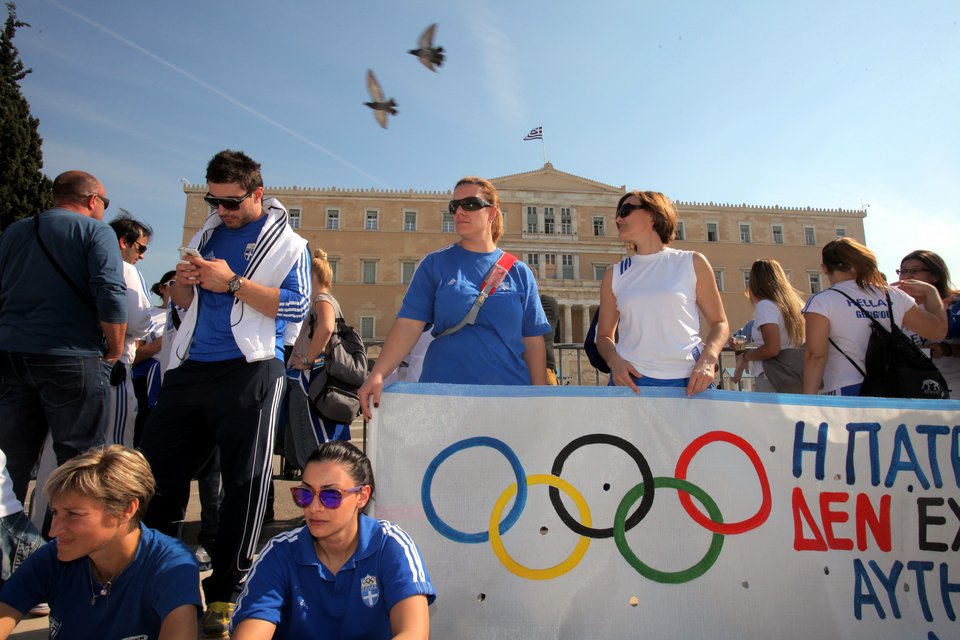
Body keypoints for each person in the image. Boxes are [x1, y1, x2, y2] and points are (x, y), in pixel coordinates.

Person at [138, 150, 310, 638]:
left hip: (251, 367)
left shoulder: (289, 243)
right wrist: (187, 285)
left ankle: (226, 592)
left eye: (232, 202)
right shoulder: (205, 233)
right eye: (214, 200)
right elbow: (188, 307)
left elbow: (296, 305)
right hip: (190, 366)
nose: (222, 209)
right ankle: (158, 579)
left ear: (257, 193)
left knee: (244, 483)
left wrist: (231, 281)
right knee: (154, 476)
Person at [359, 176, 549, 418]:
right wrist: (378, 373)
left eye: (470, 204)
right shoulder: (435, 264)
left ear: (491, 213)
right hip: (444, 395)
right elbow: (409, 323)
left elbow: (533, 341)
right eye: (454, 206)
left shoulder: (520, 272)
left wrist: (541, 396)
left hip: (508, 397)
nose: (459, 211)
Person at [0, 170, 126, 504]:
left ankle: (7, 545)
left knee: (8, 460)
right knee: (80, 462)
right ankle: (70, 548)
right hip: (71, 355)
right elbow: (110, 291)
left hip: (12, 353)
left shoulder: (16, 231)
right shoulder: (96, 231)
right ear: (93, 200)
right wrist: (114, 348)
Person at [231, 441, 435, 639]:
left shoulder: (390, 545)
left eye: (330, 495)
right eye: (305, 494)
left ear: (362, 496)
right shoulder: (279, 553)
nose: (314, 507)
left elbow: (414, 633)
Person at [0, 445, 200, 639]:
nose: (53, 531)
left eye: (73, 514)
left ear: (126, 509)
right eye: (55, 512)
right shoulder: (52, 557)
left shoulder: (170, 565)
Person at [596, 190, 729, 396]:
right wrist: (615, 362)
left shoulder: (692, 262)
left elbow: (720, 323)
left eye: (625, 210)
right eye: (618, 214)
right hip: (631, 382)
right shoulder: (614, 275)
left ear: (652, 214)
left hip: (690, 382)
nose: (618, 218)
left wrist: (708, 360)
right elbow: (604, 336)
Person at [802, 237, 947, 395]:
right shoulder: (894, 295)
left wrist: (809, 401)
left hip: (847, 385)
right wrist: (931, 292)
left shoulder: (823, 301)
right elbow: (937, 331)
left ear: (824, 268)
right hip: (895, 385)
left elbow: (816, 355)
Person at [285, 250, 351, 469]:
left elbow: (326, 327)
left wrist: (308, 359)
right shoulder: (325, 300)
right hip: (313, 377)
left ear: (311, 276)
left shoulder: (321, 300)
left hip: (308, 378)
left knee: (311, 449)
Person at [108, 213, 157, 448]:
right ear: (123, 242)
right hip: (113, 363)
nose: (142, 256)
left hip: (74, 359)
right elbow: (139, 323)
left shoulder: (81, 262)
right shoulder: (125, 269)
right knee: (115, 444)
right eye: (140, 248)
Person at [732, 258, 806, 393]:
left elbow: (772, 348)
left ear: (755, 282)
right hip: (795, 374)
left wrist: (745, 356)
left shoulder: (765, 306)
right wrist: (741, 345)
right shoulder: (795, 306)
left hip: (773, 377)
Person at [897, 249, 960, 395]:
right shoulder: (896, 307)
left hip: (955, 388)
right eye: (903, 271)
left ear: (935, 275)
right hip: (914, 390)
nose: (907, 276)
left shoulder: (955, 304)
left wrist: (946, 350)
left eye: (915, 271)